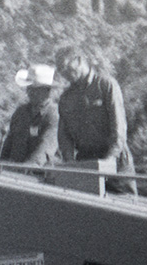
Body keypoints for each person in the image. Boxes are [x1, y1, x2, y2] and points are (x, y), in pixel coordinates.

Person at [55, 47, 137, 193]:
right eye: (61, 71)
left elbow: (119, 129)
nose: (65, 75)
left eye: (67, 68)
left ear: (79, 61)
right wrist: (70, 163)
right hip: (86, 162)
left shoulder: (106, 85)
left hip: (115, 162)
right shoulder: (66, 98)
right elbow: (64, 135)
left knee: (124, 209)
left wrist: (109, 162)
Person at [0, 64, 59, 166]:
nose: (30, 92)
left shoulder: (55, 116)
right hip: (13, 173)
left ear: (47, 91)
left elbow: (45, 149)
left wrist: (29, 166)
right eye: (29, 88)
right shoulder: (20, 113)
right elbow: (8, 144)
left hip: (39, 177)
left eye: (35, 89)